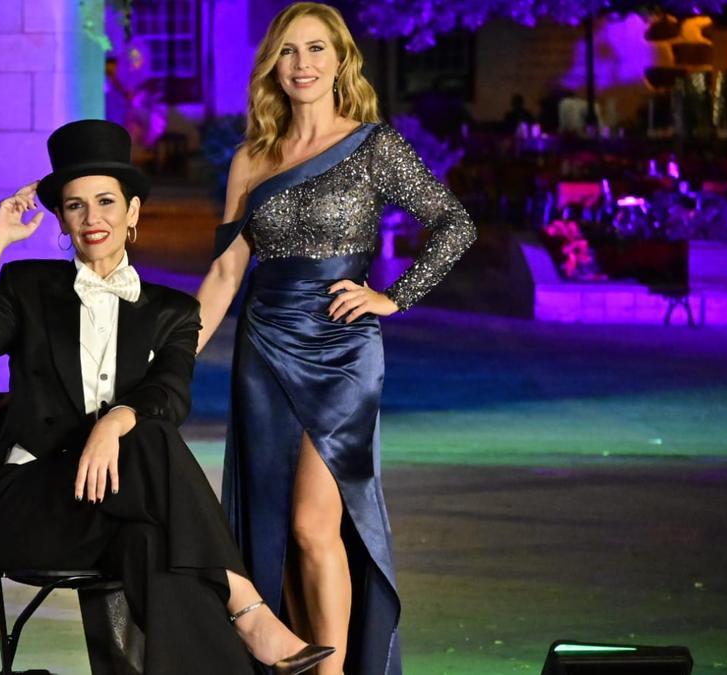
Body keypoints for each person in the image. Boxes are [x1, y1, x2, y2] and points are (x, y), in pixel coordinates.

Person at [0, 119, 334, 675]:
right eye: (75, 206)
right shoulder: (27, 286)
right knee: (150, 441)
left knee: (154, 539)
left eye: (105, 202)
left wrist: (113, 420)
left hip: (117, 504)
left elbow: (171, 393)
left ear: (133, 211)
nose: (92, 218)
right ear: (62, 219)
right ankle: (245, 603)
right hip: (32, 506)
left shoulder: (172, 312)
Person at [194, 4, 476, 674]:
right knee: (272, 524)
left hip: (345, 349)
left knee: (313, 524)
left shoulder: (374, 145)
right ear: (273, 65)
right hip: (264, 349)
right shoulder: (251, 159)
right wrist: (172, 355)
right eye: (289, 51)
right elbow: (227, 270)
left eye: (317, 49)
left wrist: (392, 295)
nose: (303, 65)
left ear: (341, 58)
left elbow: (454, 223)